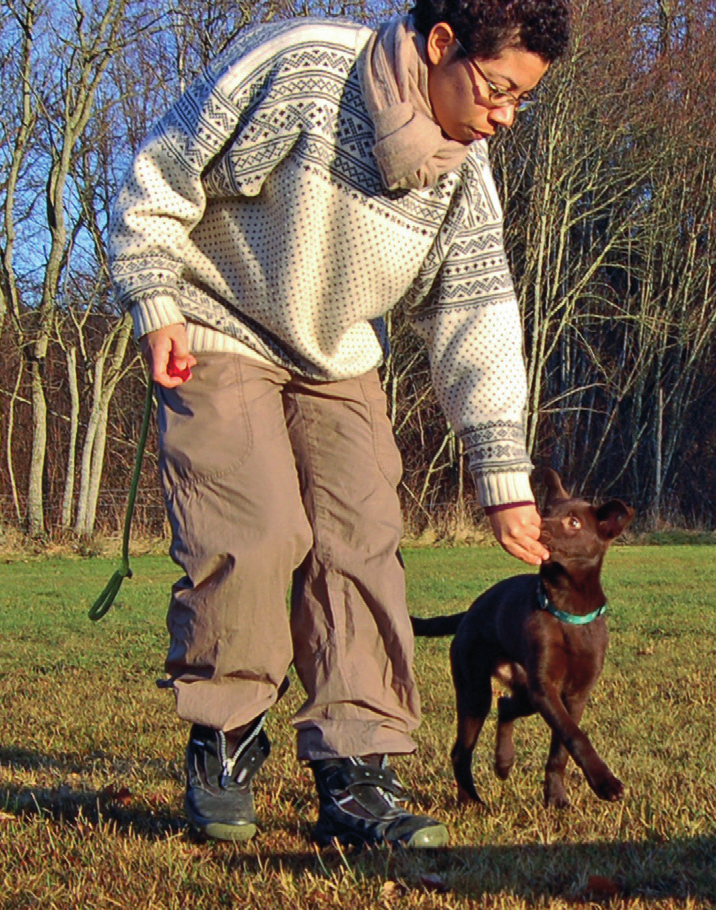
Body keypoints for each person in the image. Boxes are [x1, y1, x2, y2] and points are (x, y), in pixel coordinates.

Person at [106, 0, 569, 848]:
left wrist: (503, 478)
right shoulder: (307, 67)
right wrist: (153, 294)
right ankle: (226, 730)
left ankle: (357, 769)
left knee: (360, 536)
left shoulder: (463, 172)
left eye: (520, 104)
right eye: (496, 90)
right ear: (440, 45)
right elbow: (164, 166)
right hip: (218, 319)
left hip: (340, 355)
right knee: (257, 527)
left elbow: (479, 318)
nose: (503, 119)